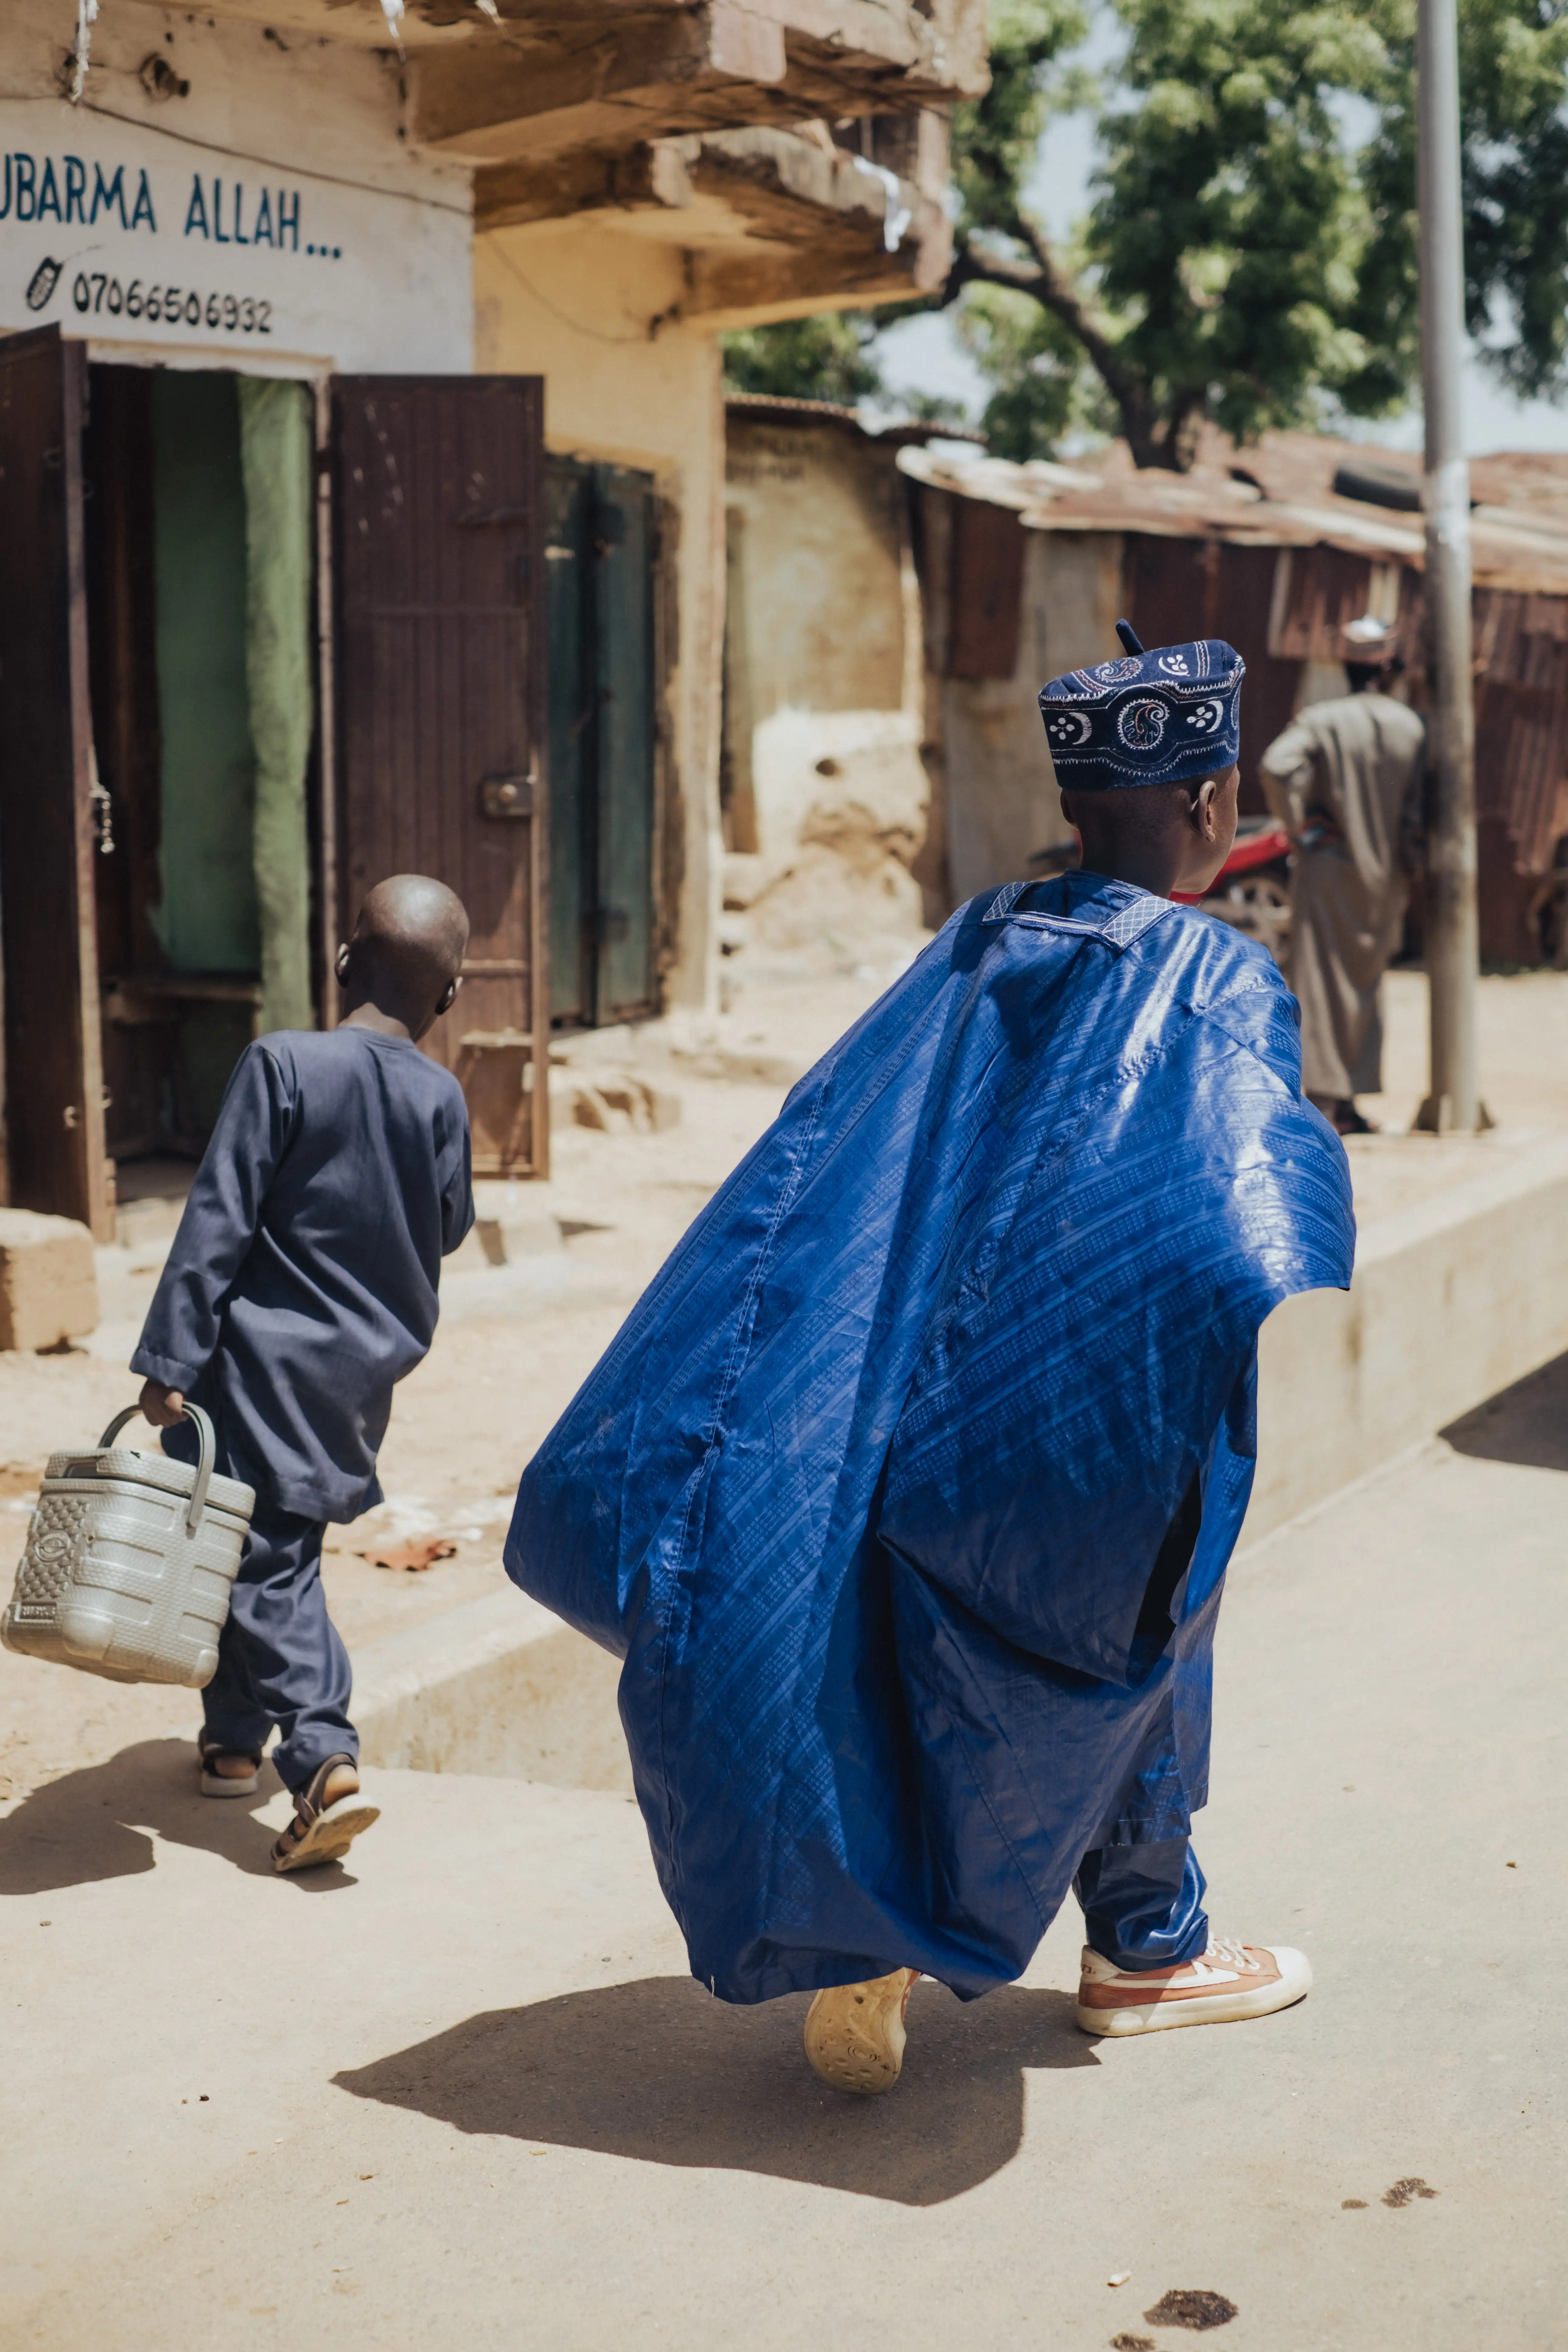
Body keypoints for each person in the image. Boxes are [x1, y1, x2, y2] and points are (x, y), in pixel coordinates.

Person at [507, 625, 1354, 2095]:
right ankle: (1148, 1943)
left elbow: (830, 1158)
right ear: (1216, 807)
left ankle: (887, 1931)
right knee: (1139, 1634)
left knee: (893, 1656)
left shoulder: (979, 937)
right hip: (1082, 1401)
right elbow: (1228, 1219)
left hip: (900, 1374)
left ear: (1080, 810)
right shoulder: (1217, 975)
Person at [131, 875, 475, 1872]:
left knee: (261, 1556)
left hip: (257, 1362)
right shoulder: (441, 1097)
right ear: (448, 999)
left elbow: (217, 1220)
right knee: (248, 1541)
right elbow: (447, 1223)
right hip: (361, 1373)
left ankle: (322, 1755)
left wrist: (168, 1357)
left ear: (341, 962)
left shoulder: (282, 1063)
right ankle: (231, 1742)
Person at [1258, 633, 1426, 1135]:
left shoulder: (1322, 719)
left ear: (1348, 668)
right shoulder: (1412, 727)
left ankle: (1328, 1103)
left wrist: (1298, 829)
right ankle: (1348, 1099)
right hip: (1386, 875)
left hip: (1329, 866)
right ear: (1390, 669)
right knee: (1365, 986)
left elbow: (1275, 765)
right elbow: (1419, 811)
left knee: (1320, 983)